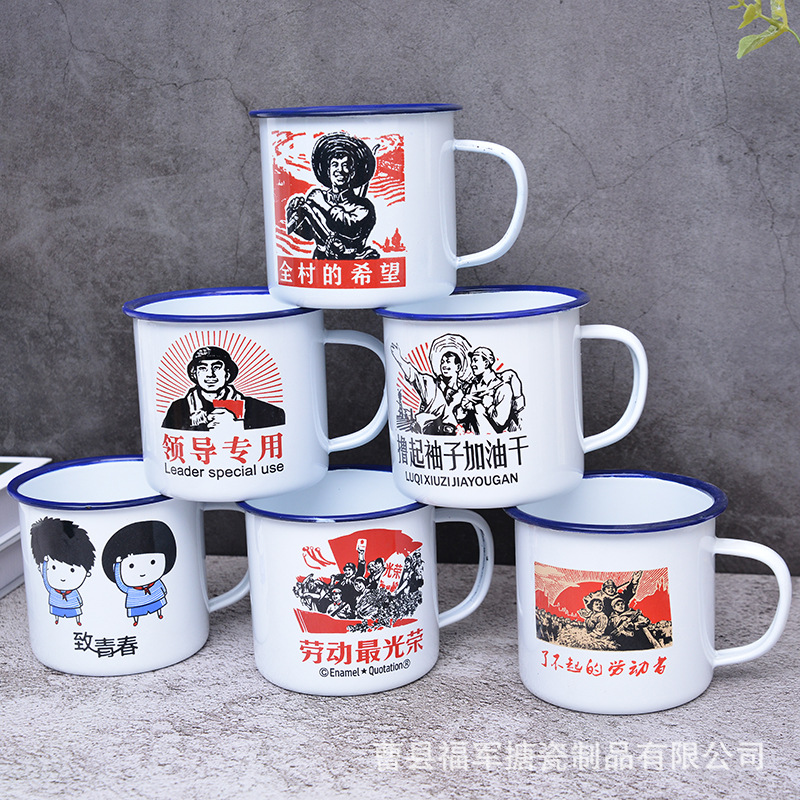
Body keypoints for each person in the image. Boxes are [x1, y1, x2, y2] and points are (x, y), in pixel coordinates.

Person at [285, 131, 380, 260]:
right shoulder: (317, 196)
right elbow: (307, 233)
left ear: (352, 172)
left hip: (352, 263)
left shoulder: (363, 207)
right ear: (328, 171)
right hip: (320, 263)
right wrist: (293, 211)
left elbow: (347, 227)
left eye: (345, 165)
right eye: (335, 165)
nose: (339, 170)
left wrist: (321, 204)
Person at [162, 345, 285, 431]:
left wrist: (238, 427)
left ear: (227, 373)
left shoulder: (258, 408)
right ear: (195, 374)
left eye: (216, 367)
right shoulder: (179, 408)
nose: (210, 374)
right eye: (203, 368)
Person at [390, 334, 471, 435]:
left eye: (448, 362)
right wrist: (399, 358)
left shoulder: (467, 390)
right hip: (429, 432)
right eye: (442, 362)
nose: (444, 365)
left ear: (458, 367)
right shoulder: (430, 383)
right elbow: (414, 375)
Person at [101, 521, 177, 627]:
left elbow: (163, 589)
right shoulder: (131, 590)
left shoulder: (156, 583)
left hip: (156, 600)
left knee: (158, 607)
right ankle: (136, 620)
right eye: (131, 566)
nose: (142, 572)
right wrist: (117, 566)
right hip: (136, 604)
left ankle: (159, 614)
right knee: (137, 611)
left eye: (152, 562)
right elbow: (121, 584)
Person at [30, 517, 95, 626]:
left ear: (87, 573)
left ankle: (77, 621)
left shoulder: (73, 593)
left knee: (75, 612)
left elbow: (79, 602)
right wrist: (45, 564)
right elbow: (46, 580)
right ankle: (57, 621)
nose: (63, 577)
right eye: (53, 567)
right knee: (57, 614)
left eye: (72, 570)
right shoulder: (53, 591)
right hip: (57, 607)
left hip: (73, 607)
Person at [455, 347, 525, 433]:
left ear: (486, 363)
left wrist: (487, 406)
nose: (472, 365)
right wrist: (463, 407)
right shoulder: (470, 387)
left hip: (494, 439)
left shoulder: (502, 387)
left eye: (475, 360)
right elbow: (459, 418)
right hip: (473, 438)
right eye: (472, 361)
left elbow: (501, 421)